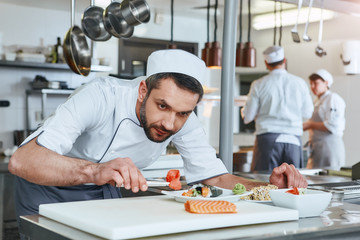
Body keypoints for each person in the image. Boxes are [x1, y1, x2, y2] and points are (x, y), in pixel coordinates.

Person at [9, 49, 307, 222]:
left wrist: (270, 190)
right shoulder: (101, 96)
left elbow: (215, 179)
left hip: (102, 192)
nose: (169, 123)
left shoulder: (182, 116)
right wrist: (96, 170)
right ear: (143, 91)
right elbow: (23, 161)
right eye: (162, 106)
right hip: (45, 190)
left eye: (182, 113)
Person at [241, 46, 314, 171]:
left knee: (264, 182)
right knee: (294, 185)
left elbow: (248, 117)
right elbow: (308, 112)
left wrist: (244, 110)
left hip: (268, 140)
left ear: (266, 63)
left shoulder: (259, 84)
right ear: (284, 60)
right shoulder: (300, 83)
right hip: (294, 140)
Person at [303, 69, 346, 170]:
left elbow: (332, 125)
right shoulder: (316, 101)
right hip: (317, 148)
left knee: (330, 180)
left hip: (330, 148)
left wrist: (310, 125)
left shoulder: (333, 99)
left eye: (316, 83)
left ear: (326, 83)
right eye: (311, 84)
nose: (312, 87)